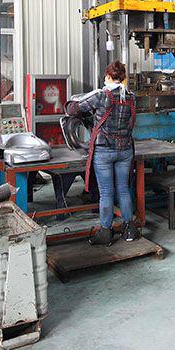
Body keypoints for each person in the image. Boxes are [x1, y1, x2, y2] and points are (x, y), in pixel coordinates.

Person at [66, 61, 138, 246]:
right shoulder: (131, 97)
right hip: (125, 150)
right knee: (123, 189)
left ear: (107, 76)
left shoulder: (100, 95)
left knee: (106, 193)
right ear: (123, 78)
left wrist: (78, 100)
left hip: (104, 151)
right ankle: (129, 229)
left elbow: (72, 109)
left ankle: (106, 232)